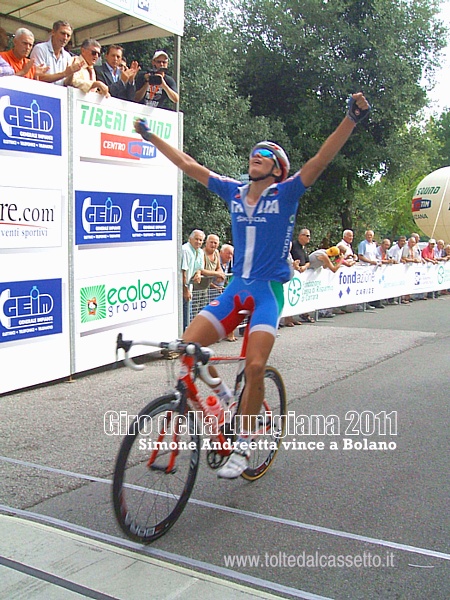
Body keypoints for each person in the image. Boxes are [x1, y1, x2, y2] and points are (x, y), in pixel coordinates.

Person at [134, 92, 370, 478]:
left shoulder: (287, 192)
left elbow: (320, 160)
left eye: (265, 153)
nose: (255, 155)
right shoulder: (233, 191)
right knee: (187, 349)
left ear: (277, 168)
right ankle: (225, 398)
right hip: (236, 289)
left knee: (256, 366)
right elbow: (187, 164)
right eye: (253, 152)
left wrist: (351, 119)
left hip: (267, 293)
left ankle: (243, 446)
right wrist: (153, 138)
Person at [29, 20, 82, 85]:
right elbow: (38, 77)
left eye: (68, 35)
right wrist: (64, 73)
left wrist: (71, 72)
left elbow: (66, 84)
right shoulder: (40, 49)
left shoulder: (67, 56)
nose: (65, 38)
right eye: (62, 33)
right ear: (53, 32)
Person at [192, 234, 226, 317]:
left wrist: (220, 274)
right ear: (206, 243)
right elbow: (201, 270)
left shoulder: (216, 253)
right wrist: (217, 273)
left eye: (215, 243)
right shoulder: (201, 253)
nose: (213, 244)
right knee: (194, 313)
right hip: (196, 288)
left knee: (203, 311)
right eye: (211, 242)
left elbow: (218, 267)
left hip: (206, 288)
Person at [181, 230, 205, 331]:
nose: (198, 242)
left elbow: (199, 268)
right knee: (182, 315)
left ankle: (186, 337)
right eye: (196, 239)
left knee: (187, 315)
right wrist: (185, 289)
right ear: (190, 239)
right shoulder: (185, 250)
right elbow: (183, 272)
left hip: (188, 288)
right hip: (181, 288)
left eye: (201, 240)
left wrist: (198, 274)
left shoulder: (200, 252)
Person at [288, 228, 312, 324]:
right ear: (300, 236)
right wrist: (296, 266)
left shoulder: (304, 248)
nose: (309, 238)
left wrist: (305, 267)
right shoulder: (293, 245)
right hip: (293, 272)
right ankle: (287, 318)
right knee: (290, 296)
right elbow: (289, 258)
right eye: (307, 236)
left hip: (302, 273)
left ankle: (293, 317)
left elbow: (308, 261)